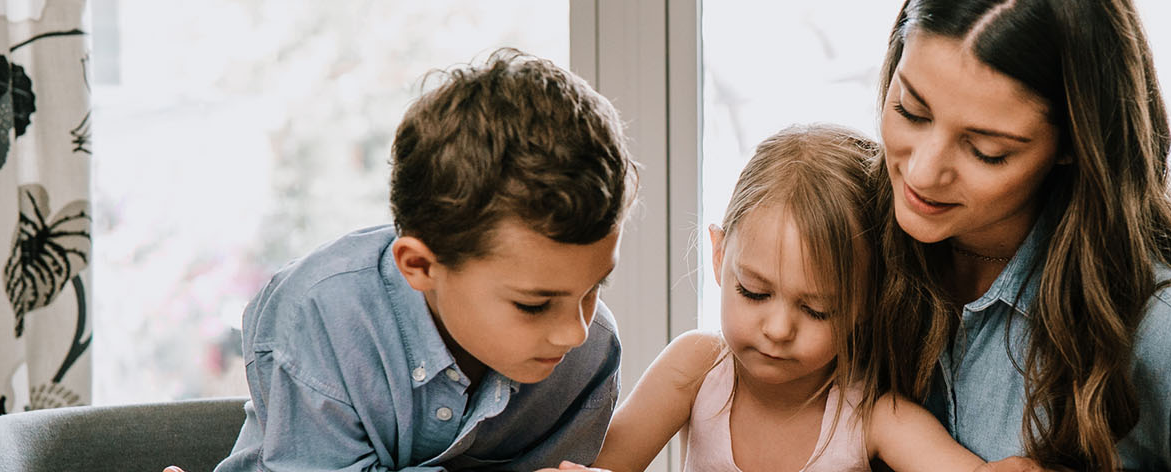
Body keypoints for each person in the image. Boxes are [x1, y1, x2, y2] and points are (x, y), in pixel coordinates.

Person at [852, 1, 1171, 470]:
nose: (923, 173)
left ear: (1075, 145)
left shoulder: (1168, 327)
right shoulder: (840, 239)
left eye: (986, 151)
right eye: (910, 112)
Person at [210, 48, 637, 471]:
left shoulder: (592, 353)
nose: (574, 333)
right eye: (533, 305)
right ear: (420, 266)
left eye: (594, 288)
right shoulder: (319, 315)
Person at [549, 124, 1029, 472]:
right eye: (753, 292)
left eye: (817, 309)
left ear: (865, 302)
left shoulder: (872, 413)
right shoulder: (697, 369)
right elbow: (606, 464)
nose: (778, 329)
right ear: (719, 257)